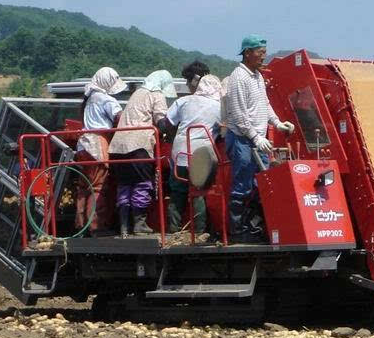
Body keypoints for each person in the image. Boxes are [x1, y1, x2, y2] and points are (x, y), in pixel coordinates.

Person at [222, 35, 295, 241]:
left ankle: (254, 226)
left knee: (259, 183)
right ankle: (238, 230)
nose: (263, 57)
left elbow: (264, 105)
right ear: (247, 53)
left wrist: (278, 123)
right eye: (260, 53)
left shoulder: (257, 76)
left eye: (264, 53)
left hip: (256, 139)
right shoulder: (239, 77)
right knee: (243, 183)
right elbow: (238, 113)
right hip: (242, 139)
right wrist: (255, 137)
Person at [109, 70, 176, 236]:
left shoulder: (137, 93)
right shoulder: (156, 94)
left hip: (117, 147)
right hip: (138, 145)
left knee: (124, 185)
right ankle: (139, 225)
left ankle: (124, 226)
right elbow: (161, 122)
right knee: (142, 184)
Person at [163, 74, 223, 234]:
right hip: (202, 155)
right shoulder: (219, 107)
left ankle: (172, 231)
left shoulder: (183, 101)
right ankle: (199, 232)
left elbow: (167, 123)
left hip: (180, 152)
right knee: (199, 192)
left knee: (177, 191)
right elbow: (225, 130)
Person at [76, 67, 124, 236]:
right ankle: (96, 227)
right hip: (97, 144)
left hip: (83, 145)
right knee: (98, 186)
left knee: (84, 187)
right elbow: (120, 118)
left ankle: (81, 226)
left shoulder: (88, 99)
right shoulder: (105, 99)